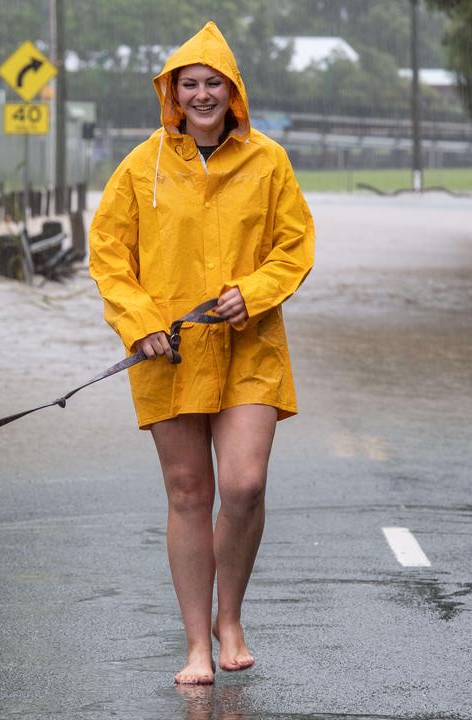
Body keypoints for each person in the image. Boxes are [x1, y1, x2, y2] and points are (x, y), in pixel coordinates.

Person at [88, 21, 314, 685]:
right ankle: (195, 645)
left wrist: (257, 290)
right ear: (173, 93)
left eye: (214, 82)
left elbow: (294, 246)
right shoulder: (142, 167)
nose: (203, 93)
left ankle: (230, 619)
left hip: (251, 348)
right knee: (188, 491)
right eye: (190, 83)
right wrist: (140, 323)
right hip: (170, 353)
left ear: (233, 91)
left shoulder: (269, 161)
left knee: (243, 485)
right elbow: (108, 256)